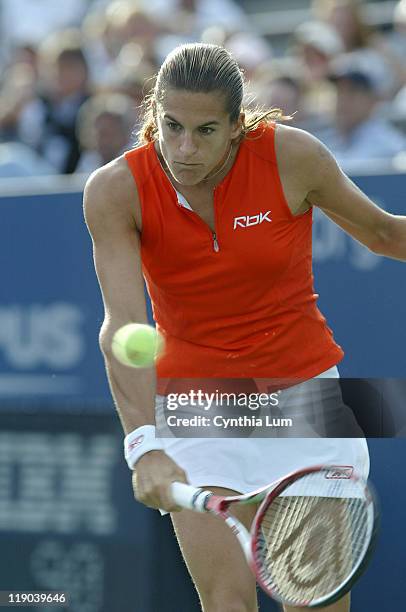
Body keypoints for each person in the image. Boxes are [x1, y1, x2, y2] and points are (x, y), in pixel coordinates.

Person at [83, 43, 406, 612]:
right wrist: (143, 447)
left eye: (206, 130)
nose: (185, 148)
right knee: (227, 602)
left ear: (236, 126)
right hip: (197, 405)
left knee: (313, 601)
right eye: (173, 126)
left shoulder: (291, 157)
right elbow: (124, 324)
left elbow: (384, 234)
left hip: (306, 399)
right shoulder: (116, 190)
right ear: (154, 112)